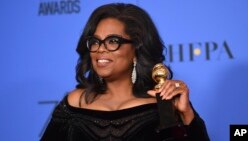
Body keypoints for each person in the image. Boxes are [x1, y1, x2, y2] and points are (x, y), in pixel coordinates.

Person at [41, 3, 210, 141]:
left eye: (113, 41)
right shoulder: (74, 103)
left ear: (137, 47)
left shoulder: (163, 104)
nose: (100, 49)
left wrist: (187, 115)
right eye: (95, 42)